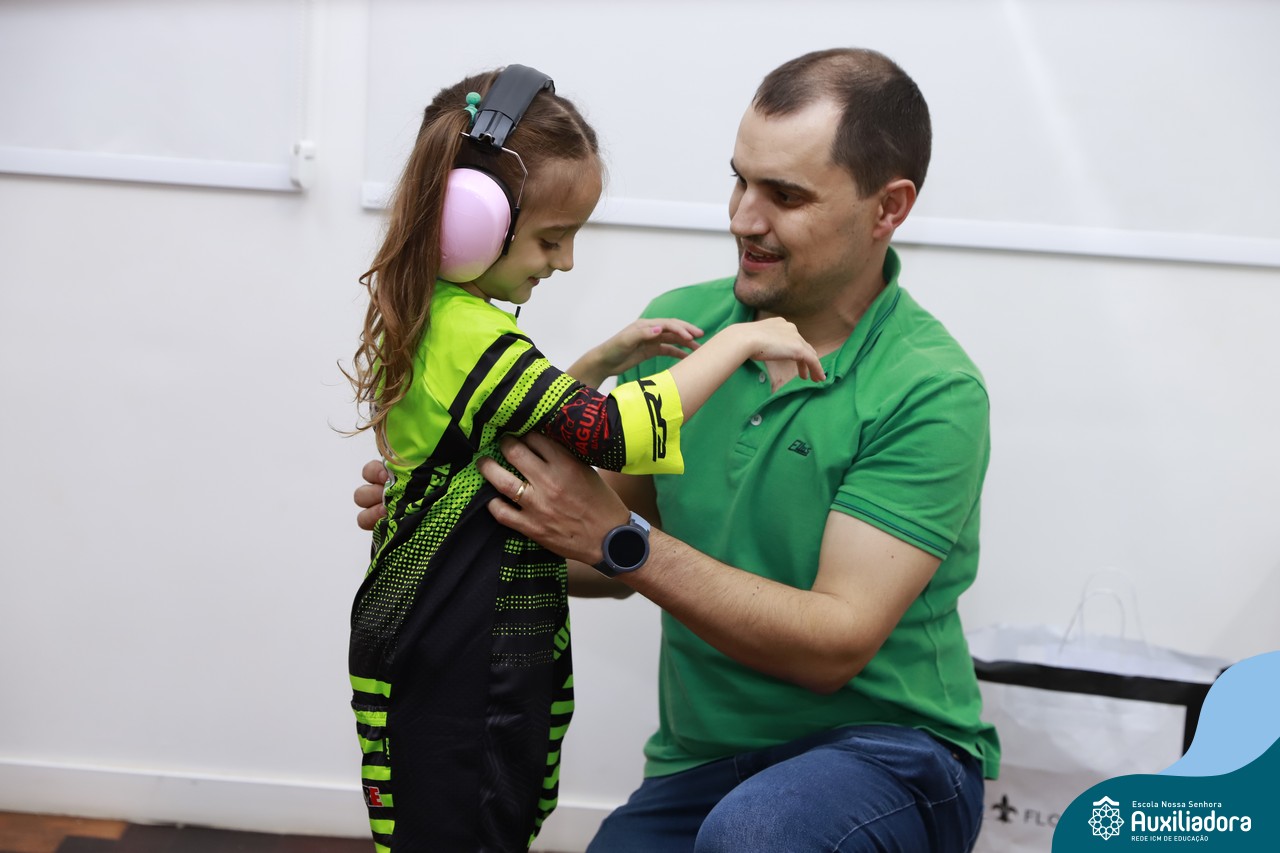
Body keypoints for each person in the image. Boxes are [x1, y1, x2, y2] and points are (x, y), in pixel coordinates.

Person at [342, 65, 825, 853]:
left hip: (445, 641)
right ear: (469, 221)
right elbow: (613, 435)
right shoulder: (473, 334)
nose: (564, 261)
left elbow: (510, 433)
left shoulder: (447, 319)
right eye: (550, 238)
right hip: (462, 655)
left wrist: (599, 360)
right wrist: (739, 339)